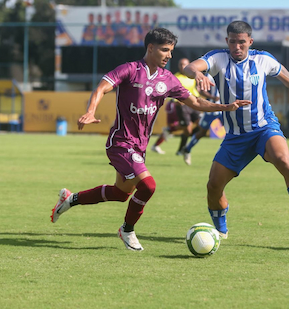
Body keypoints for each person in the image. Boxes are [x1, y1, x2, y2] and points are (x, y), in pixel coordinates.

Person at [50, 28, 251, 251]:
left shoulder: (168, 79)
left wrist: (224, 107)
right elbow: (102, 87)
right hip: (121, 143)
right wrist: (90, 111)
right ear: (151, 48)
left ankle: (70, 199)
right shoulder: (130, 70)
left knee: (120, 193)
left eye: (171, 51)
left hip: (140, 147)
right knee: (148, 186)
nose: (169, 55)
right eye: (165, 50)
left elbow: (195, 102)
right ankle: (127, 229)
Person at [183, 20, 289, 239]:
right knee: (213, 187)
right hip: (235, 137)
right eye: (232, 42)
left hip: (264, 129)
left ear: (250, 41)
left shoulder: (263, 60)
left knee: (284, 161)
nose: (237, 47)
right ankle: (221, 232)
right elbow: (189, 67)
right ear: (227, 41)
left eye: (242, 42)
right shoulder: (218, 58)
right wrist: (199, 75)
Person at [182, 74, 223, 166]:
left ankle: (226, 154)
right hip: (211, 108)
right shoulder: (209, 75)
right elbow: (201, 91)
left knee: (231, 129)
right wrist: (212, 97)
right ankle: (187, 149)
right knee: (202, 132)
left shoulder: (228, 70)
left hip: (224, 108)